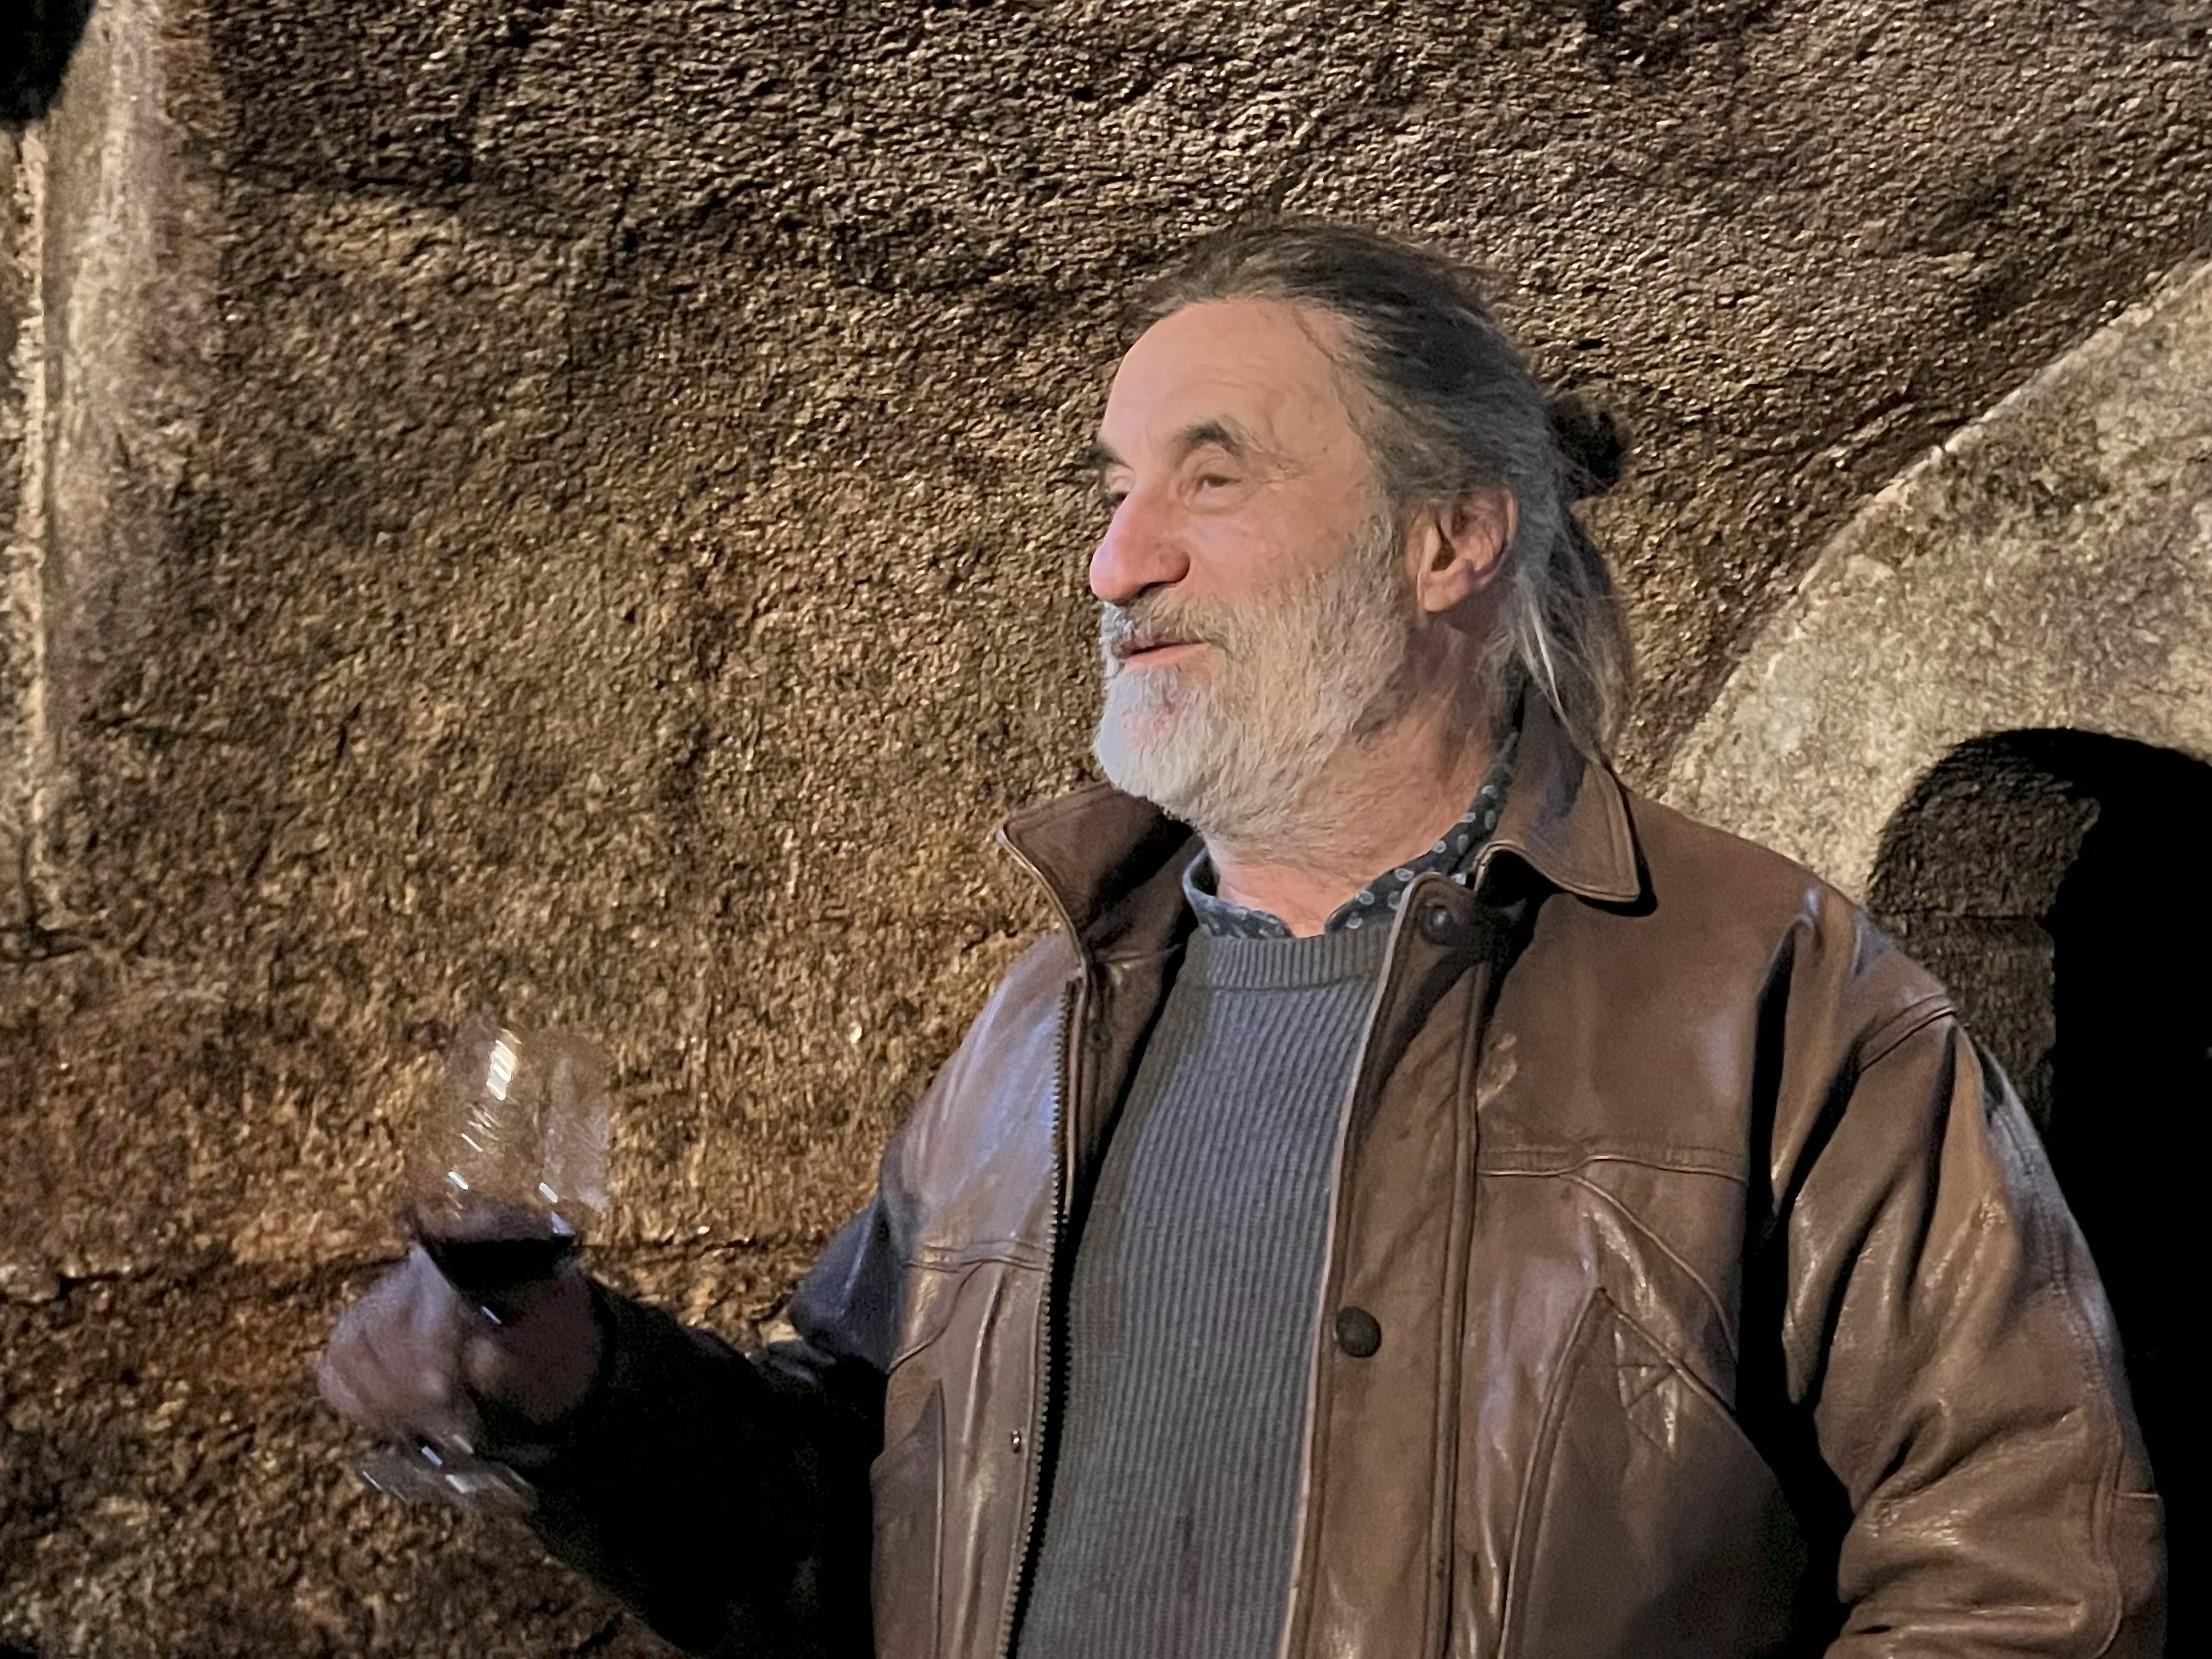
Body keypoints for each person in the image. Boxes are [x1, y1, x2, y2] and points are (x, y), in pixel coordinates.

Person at [318, 219, 2165, 1659]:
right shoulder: (1039, 1020)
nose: (1116, 561)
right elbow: (851, 1522)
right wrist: (580, 1396)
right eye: (1114, 489)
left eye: (1209, 478)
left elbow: (2033, 1581)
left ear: (1447, 541)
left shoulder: (1783, 998)